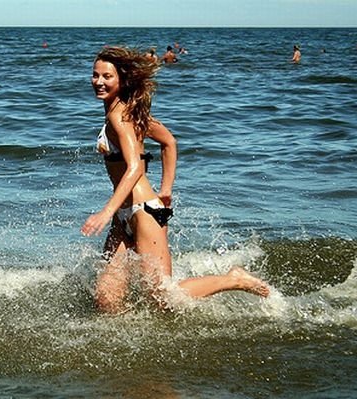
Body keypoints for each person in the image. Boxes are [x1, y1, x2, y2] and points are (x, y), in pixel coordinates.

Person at [81, 46, 270, 314]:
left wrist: (106, 211)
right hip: (125, 214)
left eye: (107, 77)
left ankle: (234, 279)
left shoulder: (119, 115)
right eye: (95, 75)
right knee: (106, 298)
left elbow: (135, 168)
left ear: (121, 79)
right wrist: (166, 189)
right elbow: (168, 142)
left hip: (145, 212)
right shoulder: (126, 110)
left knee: (163, 298)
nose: (98, 82)